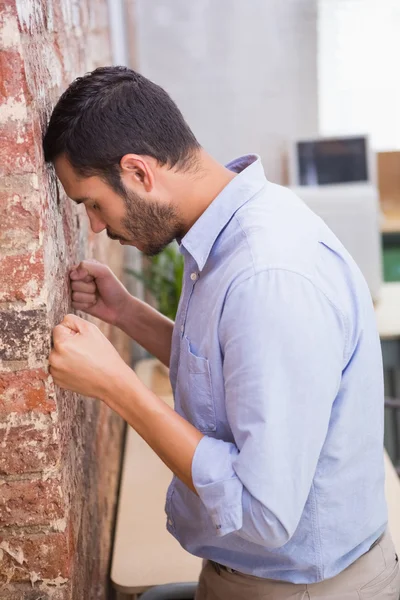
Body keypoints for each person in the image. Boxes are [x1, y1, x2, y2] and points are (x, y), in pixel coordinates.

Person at [44, 66, 399, 600]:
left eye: (93, 202)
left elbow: (263, 511)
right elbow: (228, 371)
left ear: (138, 172)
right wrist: (127, 313)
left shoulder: (266, 275)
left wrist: (116, 386)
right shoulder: (229, 229)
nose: (96, 224)